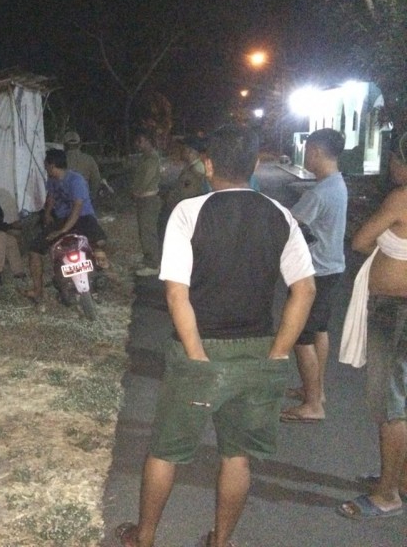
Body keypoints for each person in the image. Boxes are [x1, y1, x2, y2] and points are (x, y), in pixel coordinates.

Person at [116, 125, 315, 547]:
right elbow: (304, 290)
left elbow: (176, 293)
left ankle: (145, 536)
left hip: (200, 348)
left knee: (166, 450)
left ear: (208, 165)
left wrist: (195, 354)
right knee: (237, 455)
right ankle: (220, 541)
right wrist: (279, 353)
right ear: (256, 163)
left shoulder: (189, 212)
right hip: (258, 348)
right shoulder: (280, 215)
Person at [336, 140, 407, 520]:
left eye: (394, 157)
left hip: (394, 312)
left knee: (389, 404)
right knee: (403, 395)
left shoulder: (401, 197)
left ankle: (387, 494)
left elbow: (362, 240)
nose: (390, 164)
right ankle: (400, 478)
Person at [280, 128, 347, 423]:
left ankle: (313, 406)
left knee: (301, 336)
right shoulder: (337, 184)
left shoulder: (319, 193)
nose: (306, 156)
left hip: (314, 272)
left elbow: (289, 223)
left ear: (317, 152)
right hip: (332, 268)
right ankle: (316, 392)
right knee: (319, 331)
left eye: (308, 151)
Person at [24, 149, 107, 303]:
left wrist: (62, 231)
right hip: (61, 220)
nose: (45, 167)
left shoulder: (76, 180)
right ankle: (38, 291)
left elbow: (77, 208)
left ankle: (99, 271)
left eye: (46, 164)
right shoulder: (52, 180)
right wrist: (48, 214)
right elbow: (51, 197)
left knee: (100, 241)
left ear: (52, 164)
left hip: (82, 217)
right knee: (34, 249)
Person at [130, 131, 162, 277]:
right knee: (144, 231)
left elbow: (146, 179)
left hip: (148, 198)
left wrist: (136, 192)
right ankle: (149, 258)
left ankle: (153, 264)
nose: (138, 145)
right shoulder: (145, 157)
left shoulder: (152, 158)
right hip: (143, 198)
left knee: (148, 231)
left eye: (141, 141)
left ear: (148, 141)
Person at [62, 131, 103, 196]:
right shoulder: (89, 159)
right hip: (83, 198)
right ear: (79, 145)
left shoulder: (58, 160)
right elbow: (96, 180)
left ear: (64, 146)